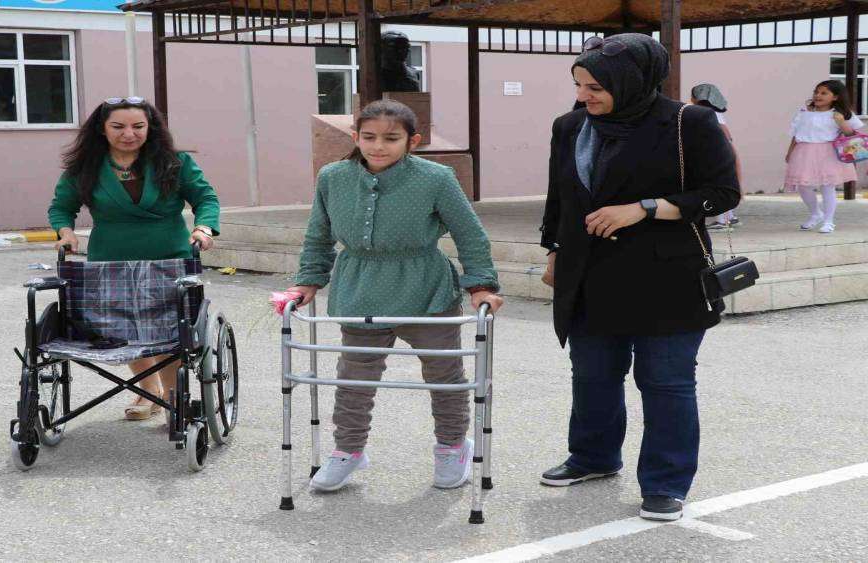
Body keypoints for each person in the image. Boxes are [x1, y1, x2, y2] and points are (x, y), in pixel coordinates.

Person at [538, 34, 740, 521]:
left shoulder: (688, 122)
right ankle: (593, 457)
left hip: (666, 277)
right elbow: (559, 198)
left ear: (630, 81)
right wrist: (553, 252)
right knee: (592, 375)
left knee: (665, 380)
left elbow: (723, 192)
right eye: (580, 85)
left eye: (595, 87)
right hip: (589, 273)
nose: (584, 96)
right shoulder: (569, 126)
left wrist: (646, 208)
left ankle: (666, 483)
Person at [285, 99, 503, 492]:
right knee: (354, 377)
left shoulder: (436, 178)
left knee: (444, 375)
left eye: (391, 138)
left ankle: (452, 446)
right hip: (360, 288)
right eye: (368, 137)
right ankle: (348, 450)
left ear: (412, 141)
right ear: (355, 137)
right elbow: (318, 235)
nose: (378, 146)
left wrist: (481, 285)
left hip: (426, 290)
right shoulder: (332, 177)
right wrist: (307, 282)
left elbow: (470, 234)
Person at [47, 97, 220, 421]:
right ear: (102, 129)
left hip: (169, 257)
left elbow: (205, 198)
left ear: (150, 127)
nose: (129, 133)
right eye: (119, 126)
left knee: (169, 332)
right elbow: (61, 206)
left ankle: (173, 397)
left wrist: (204, 227)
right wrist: (65, 232)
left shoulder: (175, 162)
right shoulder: (85, 168)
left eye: (138, 126)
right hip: (110, 260)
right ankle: (146, 389)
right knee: (123, 328)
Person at [784, 80, 862, 234]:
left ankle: (828, 221)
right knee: (803, 186)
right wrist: (790, 152)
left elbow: (852, 135)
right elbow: (795, 134)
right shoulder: (803, 112)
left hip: (828, 152)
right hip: (804, 151)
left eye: (823, 93)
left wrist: (841, 122)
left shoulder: (840, 114)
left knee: (827, 186)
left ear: (835, 97)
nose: (818, 95)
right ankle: (816, 213)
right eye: (816, 92)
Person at [691, 83, 742, 229]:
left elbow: (722, 133)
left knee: (715, 184)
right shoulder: (715, 112)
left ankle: (722, 219)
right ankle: (730, 216)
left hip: (714, 152)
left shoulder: (704, 112)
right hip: (721, 150)